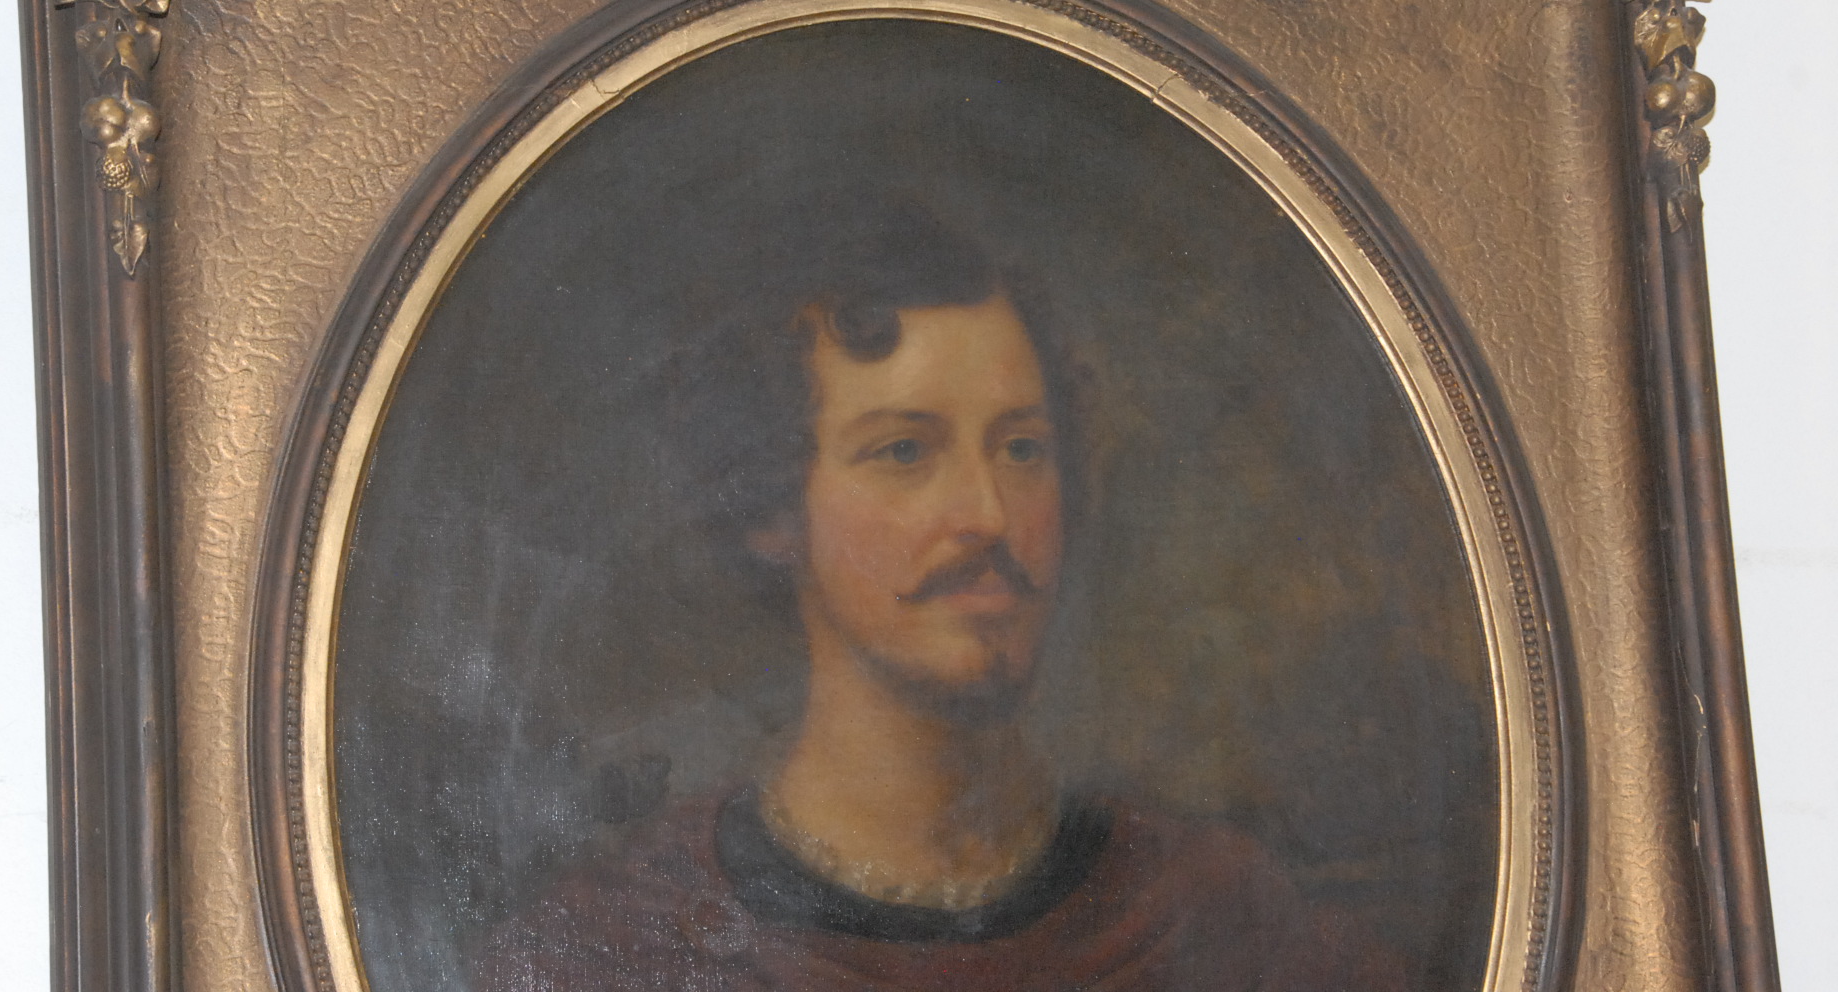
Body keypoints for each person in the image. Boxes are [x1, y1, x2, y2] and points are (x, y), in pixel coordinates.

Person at [477, 197, 1403, 991]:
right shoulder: (615, 951)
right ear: (772, 509)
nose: (988, 517)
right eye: (905, 451)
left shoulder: (1221, 920)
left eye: (1022, 448)